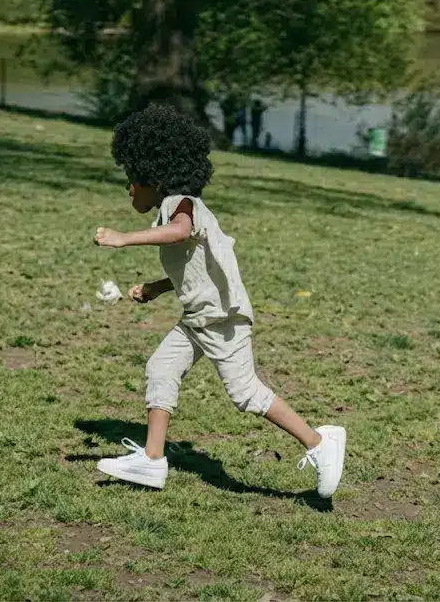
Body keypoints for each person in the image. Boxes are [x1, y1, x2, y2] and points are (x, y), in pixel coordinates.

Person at [92, 104, 347, 497]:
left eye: (131, 179)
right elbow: (196, 266)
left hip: (222, 318)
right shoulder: (174, 206)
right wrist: (158, 287)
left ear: (153, 178)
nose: (128, 189)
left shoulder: (182, 205)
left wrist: (123, 238)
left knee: (246, 393)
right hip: (199, 317)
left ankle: (319, 443)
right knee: (161, 367)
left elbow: (181, 232)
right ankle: (152, 460)